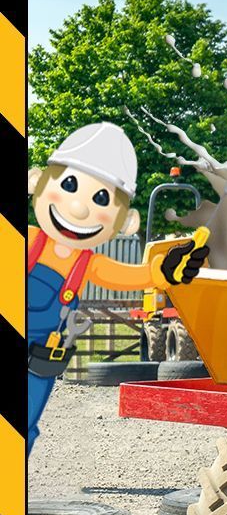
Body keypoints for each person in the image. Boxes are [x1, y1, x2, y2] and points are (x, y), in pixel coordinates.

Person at [27, 122, 209, 456]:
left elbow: (135, 275)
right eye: (68, 185)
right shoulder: (27, 242)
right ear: (37, 183)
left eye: (101, 199)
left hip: (39, 365)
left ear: (126, 221)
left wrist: (166, 270)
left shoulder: (88, 265)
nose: (80, 209)